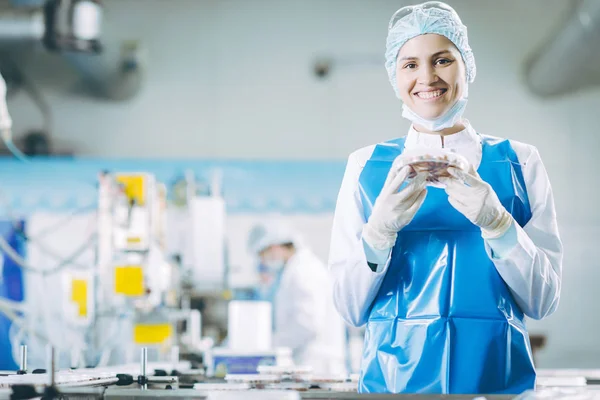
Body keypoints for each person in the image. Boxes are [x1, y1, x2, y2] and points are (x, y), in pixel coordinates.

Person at [328, 1, 563, 394]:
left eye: (442, 60)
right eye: (410, 64)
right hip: (392, 387)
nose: (427, 77)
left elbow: (543, 301)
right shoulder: (366, 165)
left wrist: (501, 226)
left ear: (466, 65)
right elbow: (349, 309)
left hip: (496, 387)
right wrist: (377, 234)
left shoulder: (519, 162)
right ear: (394, 75)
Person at [247, 220, 347, 375]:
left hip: (317, 364)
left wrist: (270, 345)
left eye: (263, 255)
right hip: (310, 362)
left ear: (274, 247)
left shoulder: (303, 271)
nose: (264, 261)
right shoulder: (294, 270)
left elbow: (307, 323)